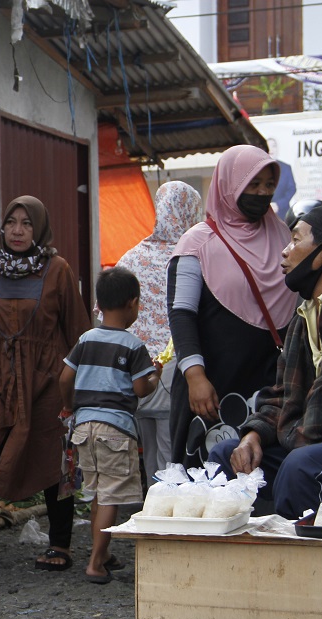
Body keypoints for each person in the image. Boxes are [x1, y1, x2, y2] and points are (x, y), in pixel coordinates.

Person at [0, 196, 91, 567]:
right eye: (11, 221)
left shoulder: (57, 269)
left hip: (46, 376)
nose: (17, 230)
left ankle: (60, 544)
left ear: (39, 228)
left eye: (27, 223)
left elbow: (76, 330)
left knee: (49, 454)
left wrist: (82, 381)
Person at [207, 205, 322, 517]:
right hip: (308, 443)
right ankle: (239, 563)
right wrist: (252, 436)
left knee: (301, 468)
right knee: (225, 456)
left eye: (295, 241)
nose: (284, 253)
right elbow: (282, 394)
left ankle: (301, 563)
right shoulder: (304, 314)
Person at [167, 144, 295, 467]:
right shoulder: (196, 243)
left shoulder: (283, 236)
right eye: (253, 184)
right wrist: (195, 376)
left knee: (262, 482)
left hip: (268, 386)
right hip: (212, 387)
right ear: (230, 185)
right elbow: (181, 313)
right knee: (206, 477)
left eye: (268, 185)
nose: (262, 193)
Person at [59, 268, 160, 583]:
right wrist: (154, 375)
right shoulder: (133, 346)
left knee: (100, 494)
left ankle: (102, 553)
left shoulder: (86, 339)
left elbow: (64, 377)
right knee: (113, 496)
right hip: (116, 428)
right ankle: (94, 564)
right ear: (133, 304)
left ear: (99, 304)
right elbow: (142, 389)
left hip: (84, 427)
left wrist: (69, 404)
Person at [115, 181, 202, 480]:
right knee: (170, 451)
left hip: (134, 370)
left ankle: (152, 507)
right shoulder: (193, 257)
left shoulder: (131, 258)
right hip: (174, 371)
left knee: (148, 448)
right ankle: (165, 514)